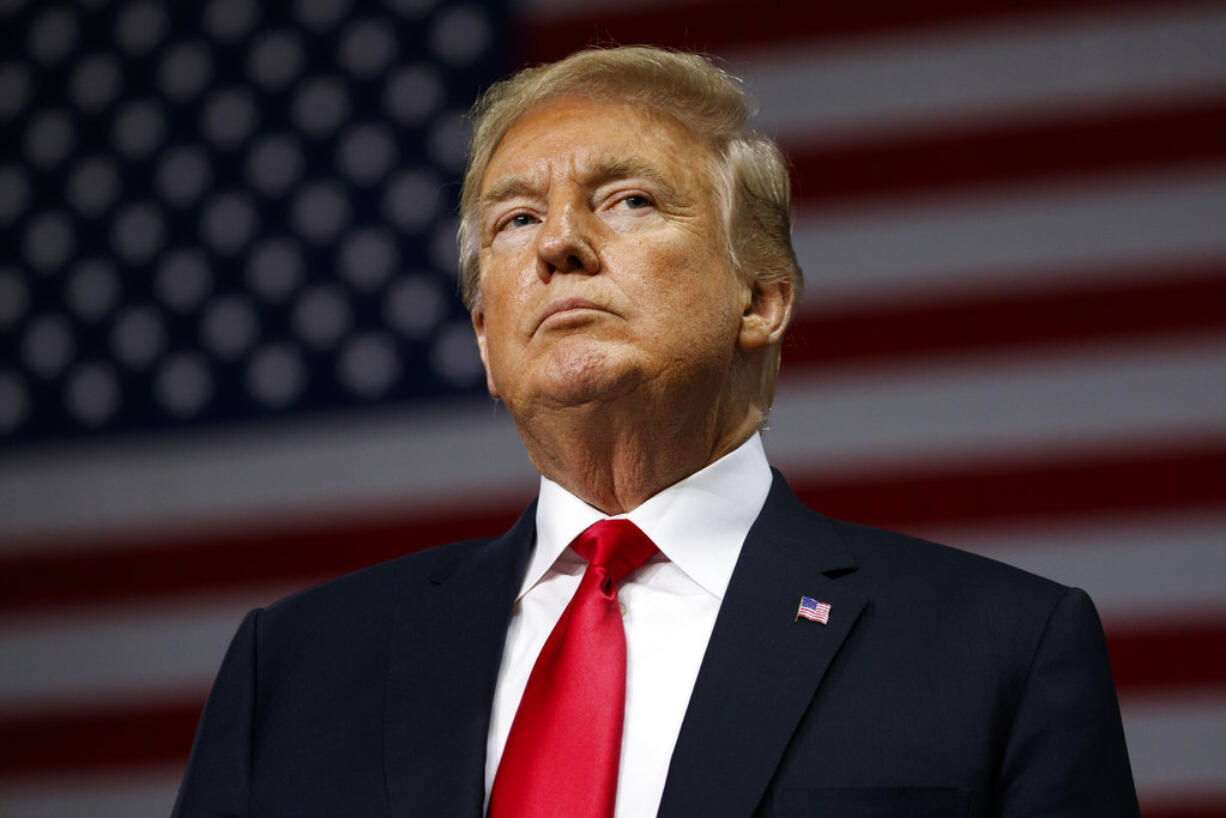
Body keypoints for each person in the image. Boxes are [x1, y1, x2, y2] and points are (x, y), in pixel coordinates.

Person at [173, 47, 1139, 817]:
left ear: (761, 298)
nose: (558, 244)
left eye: (629, 199)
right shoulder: (296, 668)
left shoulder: (998, 650)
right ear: (483, 338)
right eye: (515, 219)